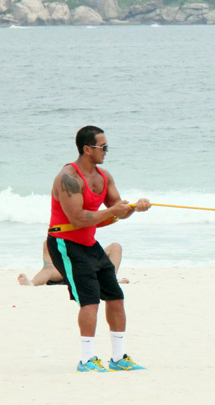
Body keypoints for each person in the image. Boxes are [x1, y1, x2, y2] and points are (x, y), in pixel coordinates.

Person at [46, 125, 151, 373]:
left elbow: (117, 211)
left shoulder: (104, 177)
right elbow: (78, 219)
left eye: (107, 146)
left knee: (115, 297)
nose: (106, 151)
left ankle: (118, 357)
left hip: (89, 243)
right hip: (65, 243)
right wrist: (114, 212)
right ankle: (87, 359)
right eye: (102, 147)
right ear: (86, 149)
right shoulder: (68, 178)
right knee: (90, 301)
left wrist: (135, 207)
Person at [18, 241, 128, 286]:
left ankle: (110, 280)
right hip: (64, 272)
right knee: (49, 268)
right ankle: (32, 283)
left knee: (115, 247)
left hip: (85, 267)